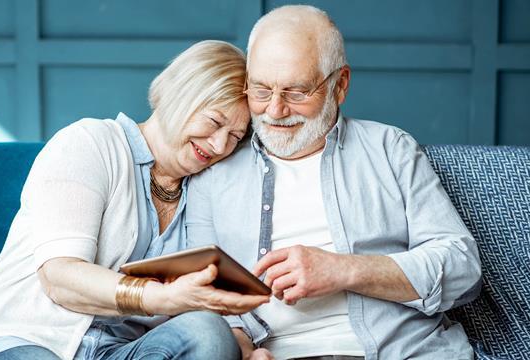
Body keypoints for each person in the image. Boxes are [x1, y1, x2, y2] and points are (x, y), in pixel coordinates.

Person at [0, 40, 269, 360]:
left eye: (235, 137)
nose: (219, 145)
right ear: (179, 95)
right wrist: (160, 297)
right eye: (214, 122)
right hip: (20, 337)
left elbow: (211, 297)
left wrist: (243, 347)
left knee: (207, 333)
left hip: (115, 351)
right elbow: (59, 278)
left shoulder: (201, 193)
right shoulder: (91, 143)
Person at [186, 6, 482, 360]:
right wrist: (243, 348)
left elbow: (463, 269)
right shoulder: (215, 172)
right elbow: (204, 294)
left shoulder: (390, 148)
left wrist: (343, 269)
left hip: (405, 352)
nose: (275, 111)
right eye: (261, 91)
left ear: (339, 85)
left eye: (296, 92)